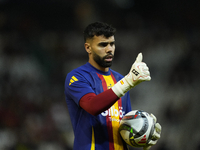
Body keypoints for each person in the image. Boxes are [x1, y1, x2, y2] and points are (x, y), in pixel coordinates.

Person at [64, 22, 161, 150]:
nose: (109, 49)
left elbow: (124, 125)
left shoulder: (120, 80)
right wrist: (127, 83)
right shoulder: (77, 77)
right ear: (88, 48)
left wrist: (144, 129)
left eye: (112, 44)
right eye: (103, 45)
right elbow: (93, 106)